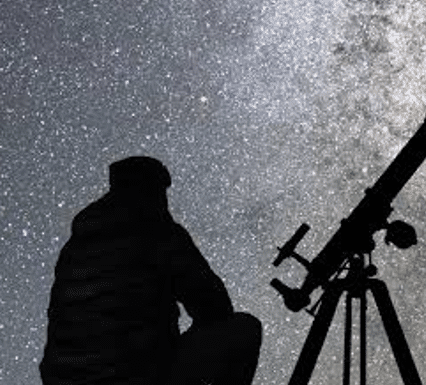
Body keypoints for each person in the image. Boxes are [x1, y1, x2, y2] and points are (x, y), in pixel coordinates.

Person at [40, 156, 262, 385]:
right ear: (149, 188)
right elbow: (214, 306)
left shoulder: (75, 247)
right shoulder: (156, 230)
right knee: (242, 330)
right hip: (139, 375)